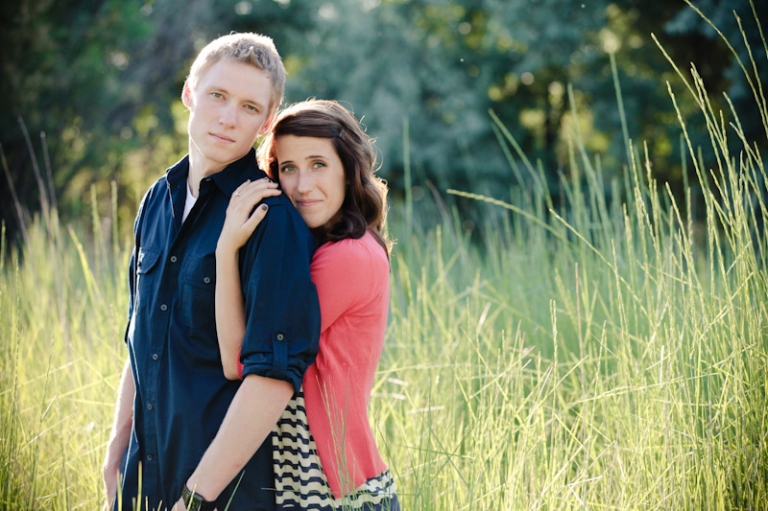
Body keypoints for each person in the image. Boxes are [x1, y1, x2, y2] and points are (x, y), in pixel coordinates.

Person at [101, 33, 321, 511]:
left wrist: (195, 498)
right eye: (218, 96)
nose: (227, 117)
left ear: (265, 122)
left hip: (224, 493)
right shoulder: (157, 200)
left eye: (248, 107)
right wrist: (118, 442)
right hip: (143, 478)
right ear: (189, 93)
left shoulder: (271, 217)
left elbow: (271, 379)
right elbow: (144, 331)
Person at [216, 99, 399, 510]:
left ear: (349, 171)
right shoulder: (333, 248)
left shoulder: (347, 257)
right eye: (288, 168)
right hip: (308, 480)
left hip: (332, 490)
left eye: (319, 164)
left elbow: (239, 361)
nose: (301, 186)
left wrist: (226, 249)